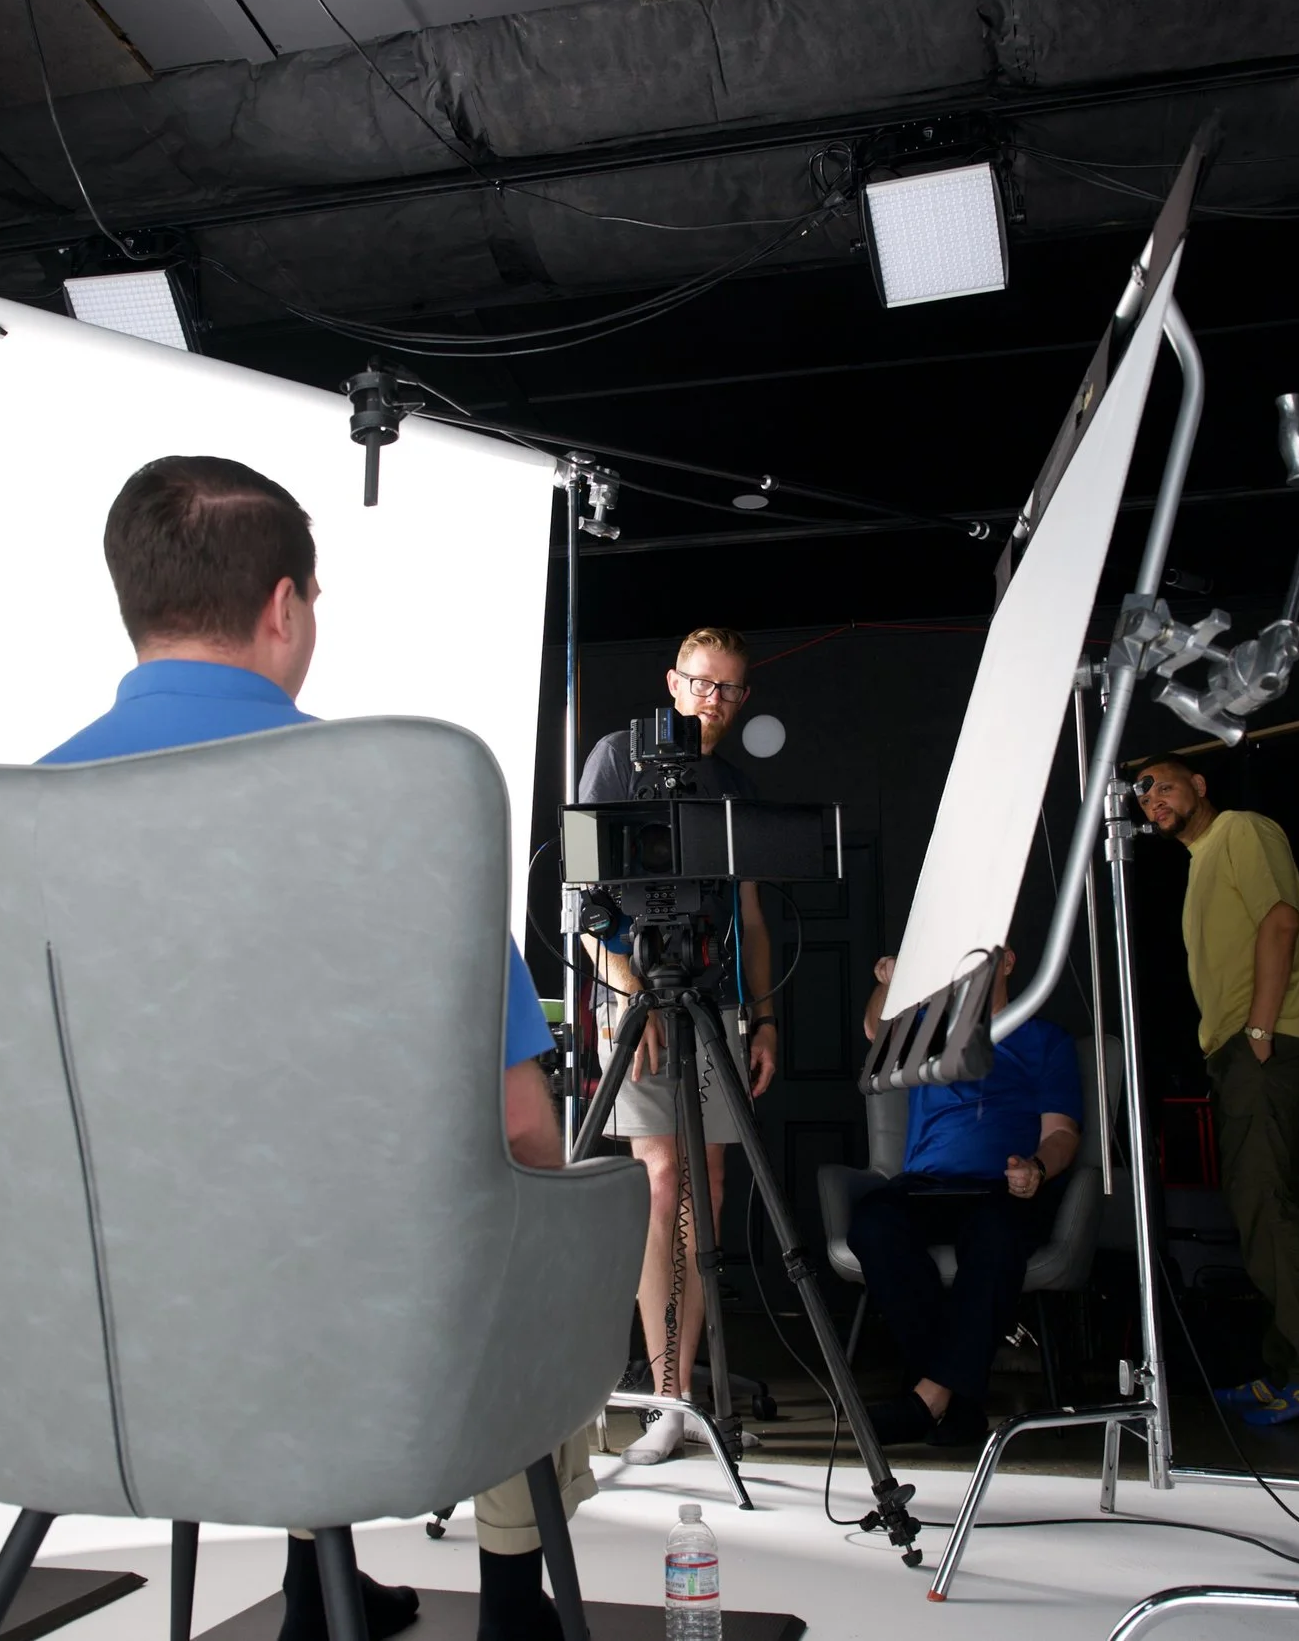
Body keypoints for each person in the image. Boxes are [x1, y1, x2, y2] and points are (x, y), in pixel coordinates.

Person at [42, 456, 579, 1641]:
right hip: (360, 1343)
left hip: (99, 1351)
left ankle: (310, 1587)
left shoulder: (6, 821)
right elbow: (520, 1126)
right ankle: (509, 1595)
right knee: (519, 1219)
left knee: (266, 1215)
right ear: (283, 606)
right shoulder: (398, 810)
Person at [573, 626, 777, 1464]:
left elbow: (752, 917)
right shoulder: (617, 759)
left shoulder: (731, 785)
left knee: (713, 1180)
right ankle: (665, 1395)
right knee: (661, 1175)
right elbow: (585, 901)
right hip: (635, 997)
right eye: (700, 683)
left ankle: (685, 1385)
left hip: (713, 997)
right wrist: (628, 993)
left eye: (728, 688)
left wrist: (762, 1015)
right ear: (672, 681)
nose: (712, 701)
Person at [1132, 752, 1299, 1426]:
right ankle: (1285, 1364)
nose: (1152, 800)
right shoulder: (1200, 860)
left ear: (1199, 786)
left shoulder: (1243, 830)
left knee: (1265, 1202)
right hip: (1241, 1048)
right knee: (1264, 1203)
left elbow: (1280, 920)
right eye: (1142, 794)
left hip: (1269, 1042)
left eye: (1164, 784)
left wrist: (1259, 1028)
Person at [848, 949, 1082, 1444]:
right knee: (873, 1223)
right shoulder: (930, 1029)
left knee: (997, 1234)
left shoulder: (1045, 1041)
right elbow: (876, 1030)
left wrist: (1037, 1168)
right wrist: (888, 981)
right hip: (925, 1186)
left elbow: (1061, 1133)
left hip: (1003, 1187)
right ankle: (955, 1403)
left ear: (1009, 963)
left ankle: (929, 1398)